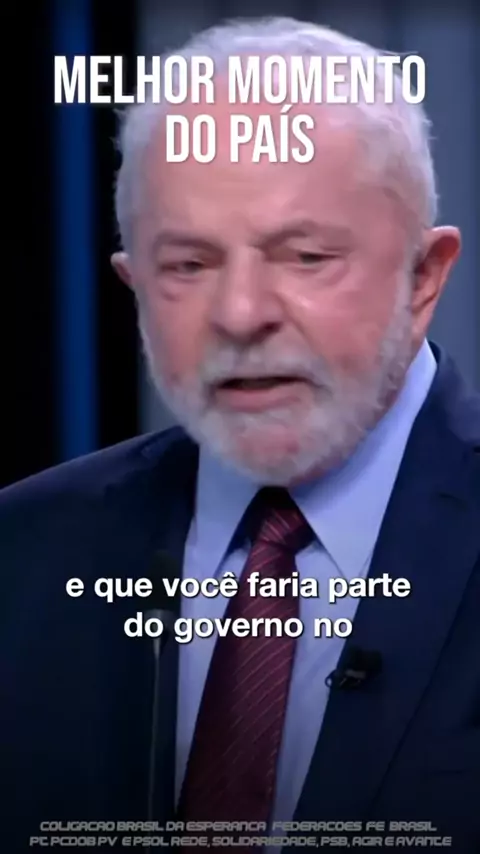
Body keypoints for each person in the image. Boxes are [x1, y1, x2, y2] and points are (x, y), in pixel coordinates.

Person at [1, 16, 479, 854]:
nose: (240, 314)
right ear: (133, 286)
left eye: (305, 256)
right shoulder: (22, 550)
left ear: (422, 279)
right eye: (187, 265)